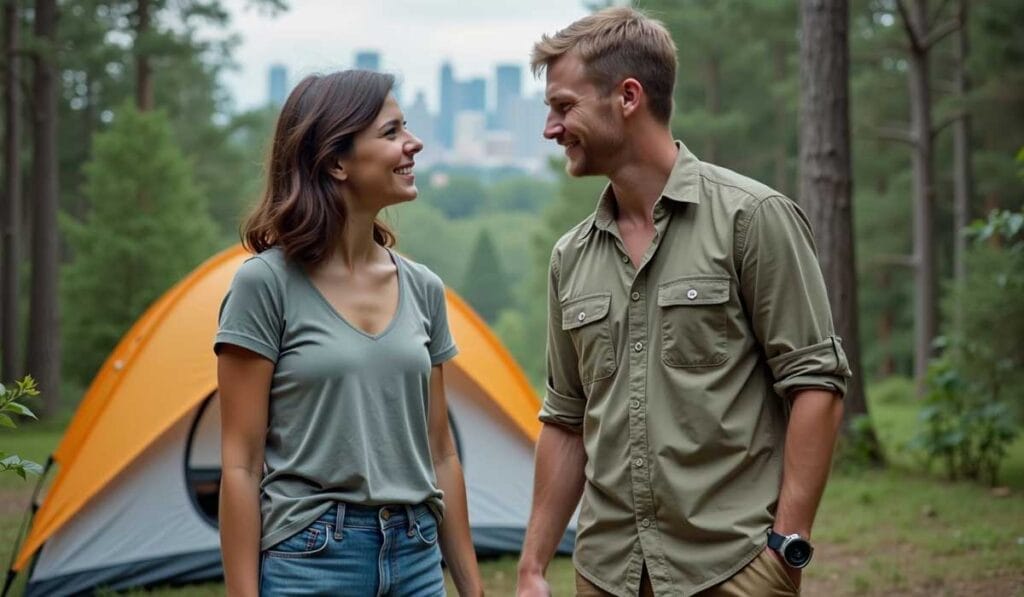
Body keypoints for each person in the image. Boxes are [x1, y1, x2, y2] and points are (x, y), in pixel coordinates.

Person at [516, 7, 851, 597]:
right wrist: (533, 566)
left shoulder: (753, 219)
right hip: (607, 573)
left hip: (732, 569)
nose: (550, 127)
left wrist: (785, 550)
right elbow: (566, 418)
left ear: (627, 97)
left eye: (564, 106)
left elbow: (815, 385)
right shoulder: (571, 257)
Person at [215, 70, 483, 597]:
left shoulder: (424, 287)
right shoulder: (264, 285)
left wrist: (472, 589)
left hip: (416, 556)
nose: (414, 143)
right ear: (336, 162)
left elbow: (441, 451)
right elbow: (240, 465)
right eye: (391, 132)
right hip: (309, 559)